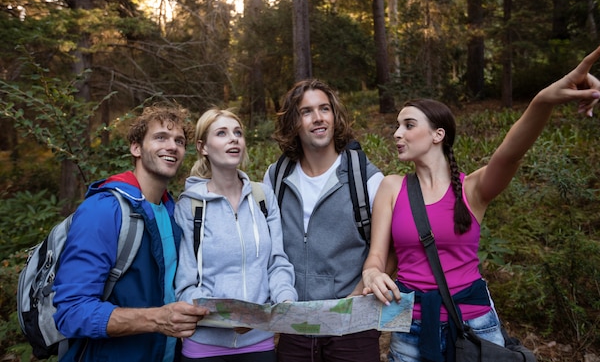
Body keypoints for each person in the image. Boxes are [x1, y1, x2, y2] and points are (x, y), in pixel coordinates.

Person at [361, 38, 600, 362]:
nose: (397, 133)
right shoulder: (391, 188)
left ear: (438, 134)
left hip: (474, 326)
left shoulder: (472, 189)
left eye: (408, 125)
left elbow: (511, 152)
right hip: (409, 327)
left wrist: (542, 101)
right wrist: (371, 274)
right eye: (397, 126)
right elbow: (376, 258)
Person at [53, 104, 208, 362]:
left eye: (179, 141)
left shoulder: (175, 213)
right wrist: (156, 319)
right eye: (160, 137)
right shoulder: (103, 210)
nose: (172, 146)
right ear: (136, 148)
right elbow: (72, 311)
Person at [263, 79, 387, 362]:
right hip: (296, 324)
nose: (318, 118)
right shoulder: (276, 177)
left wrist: (353, 301)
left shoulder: (364, 178)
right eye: (306, 112)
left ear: (335, 115)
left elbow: (388, 250)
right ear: (293, 122)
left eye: (325, 109)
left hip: (353, 326)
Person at [174, 108, 298, 362]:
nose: (234, 139)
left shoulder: (263, 197)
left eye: (238, 133)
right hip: (204, 347)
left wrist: (285, 299)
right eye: (222, 133)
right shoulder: (190, 206)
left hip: (258, 343)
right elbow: (186, 283)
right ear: (203, 147)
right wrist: (225, 317)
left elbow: (277, 263)